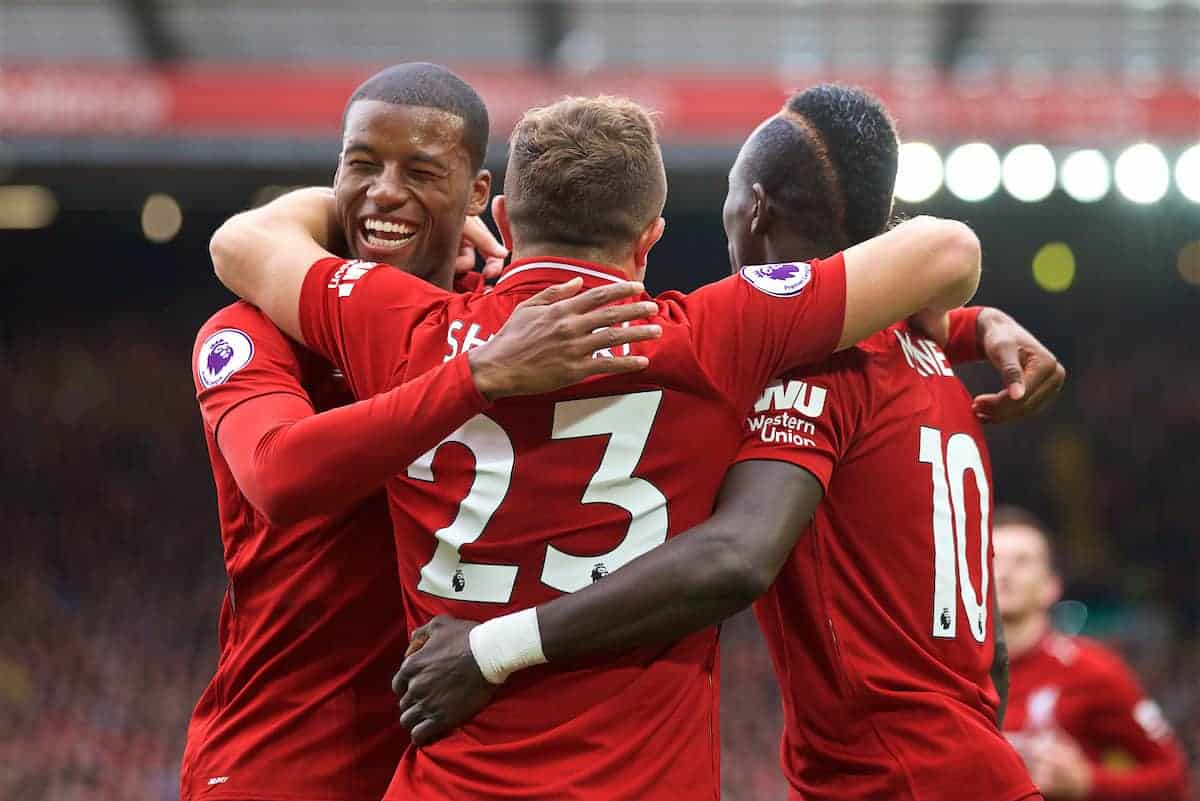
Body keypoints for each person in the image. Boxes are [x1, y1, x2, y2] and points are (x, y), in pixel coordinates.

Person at [211, 93, 983, 800]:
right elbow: (947, 251)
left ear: (506, 221)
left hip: (451, 781)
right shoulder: (713, 338)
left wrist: (355, 195)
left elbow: (242, 241)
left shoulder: (399, 324)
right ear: (649, 238)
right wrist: (959, 323)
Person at [396, 86, 1063, 801]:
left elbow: (737, 554)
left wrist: (491, 648)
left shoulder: (809, 367)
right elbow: (989, 652)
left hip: (893, 779)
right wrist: (974, 322)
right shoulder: (932, 360)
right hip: (969, 765)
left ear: (755, 207)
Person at [182, 65, 660, 801]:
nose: (383, 192)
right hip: (281, 760)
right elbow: (280, 476)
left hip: (451, 767)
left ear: (480, 197)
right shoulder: (252, 329)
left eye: (421, 171)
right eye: (361, 165)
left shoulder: (512, 323)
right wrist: (477, 375)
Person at [993, 506, 1191, 801]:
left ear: (1051, 586)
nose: (1005, 572)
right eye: (994, 559)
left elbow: (1173, 776)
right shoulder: (948, 669)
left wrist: (1088, 783)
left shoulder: (1092, 670)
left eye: (1022, 561)